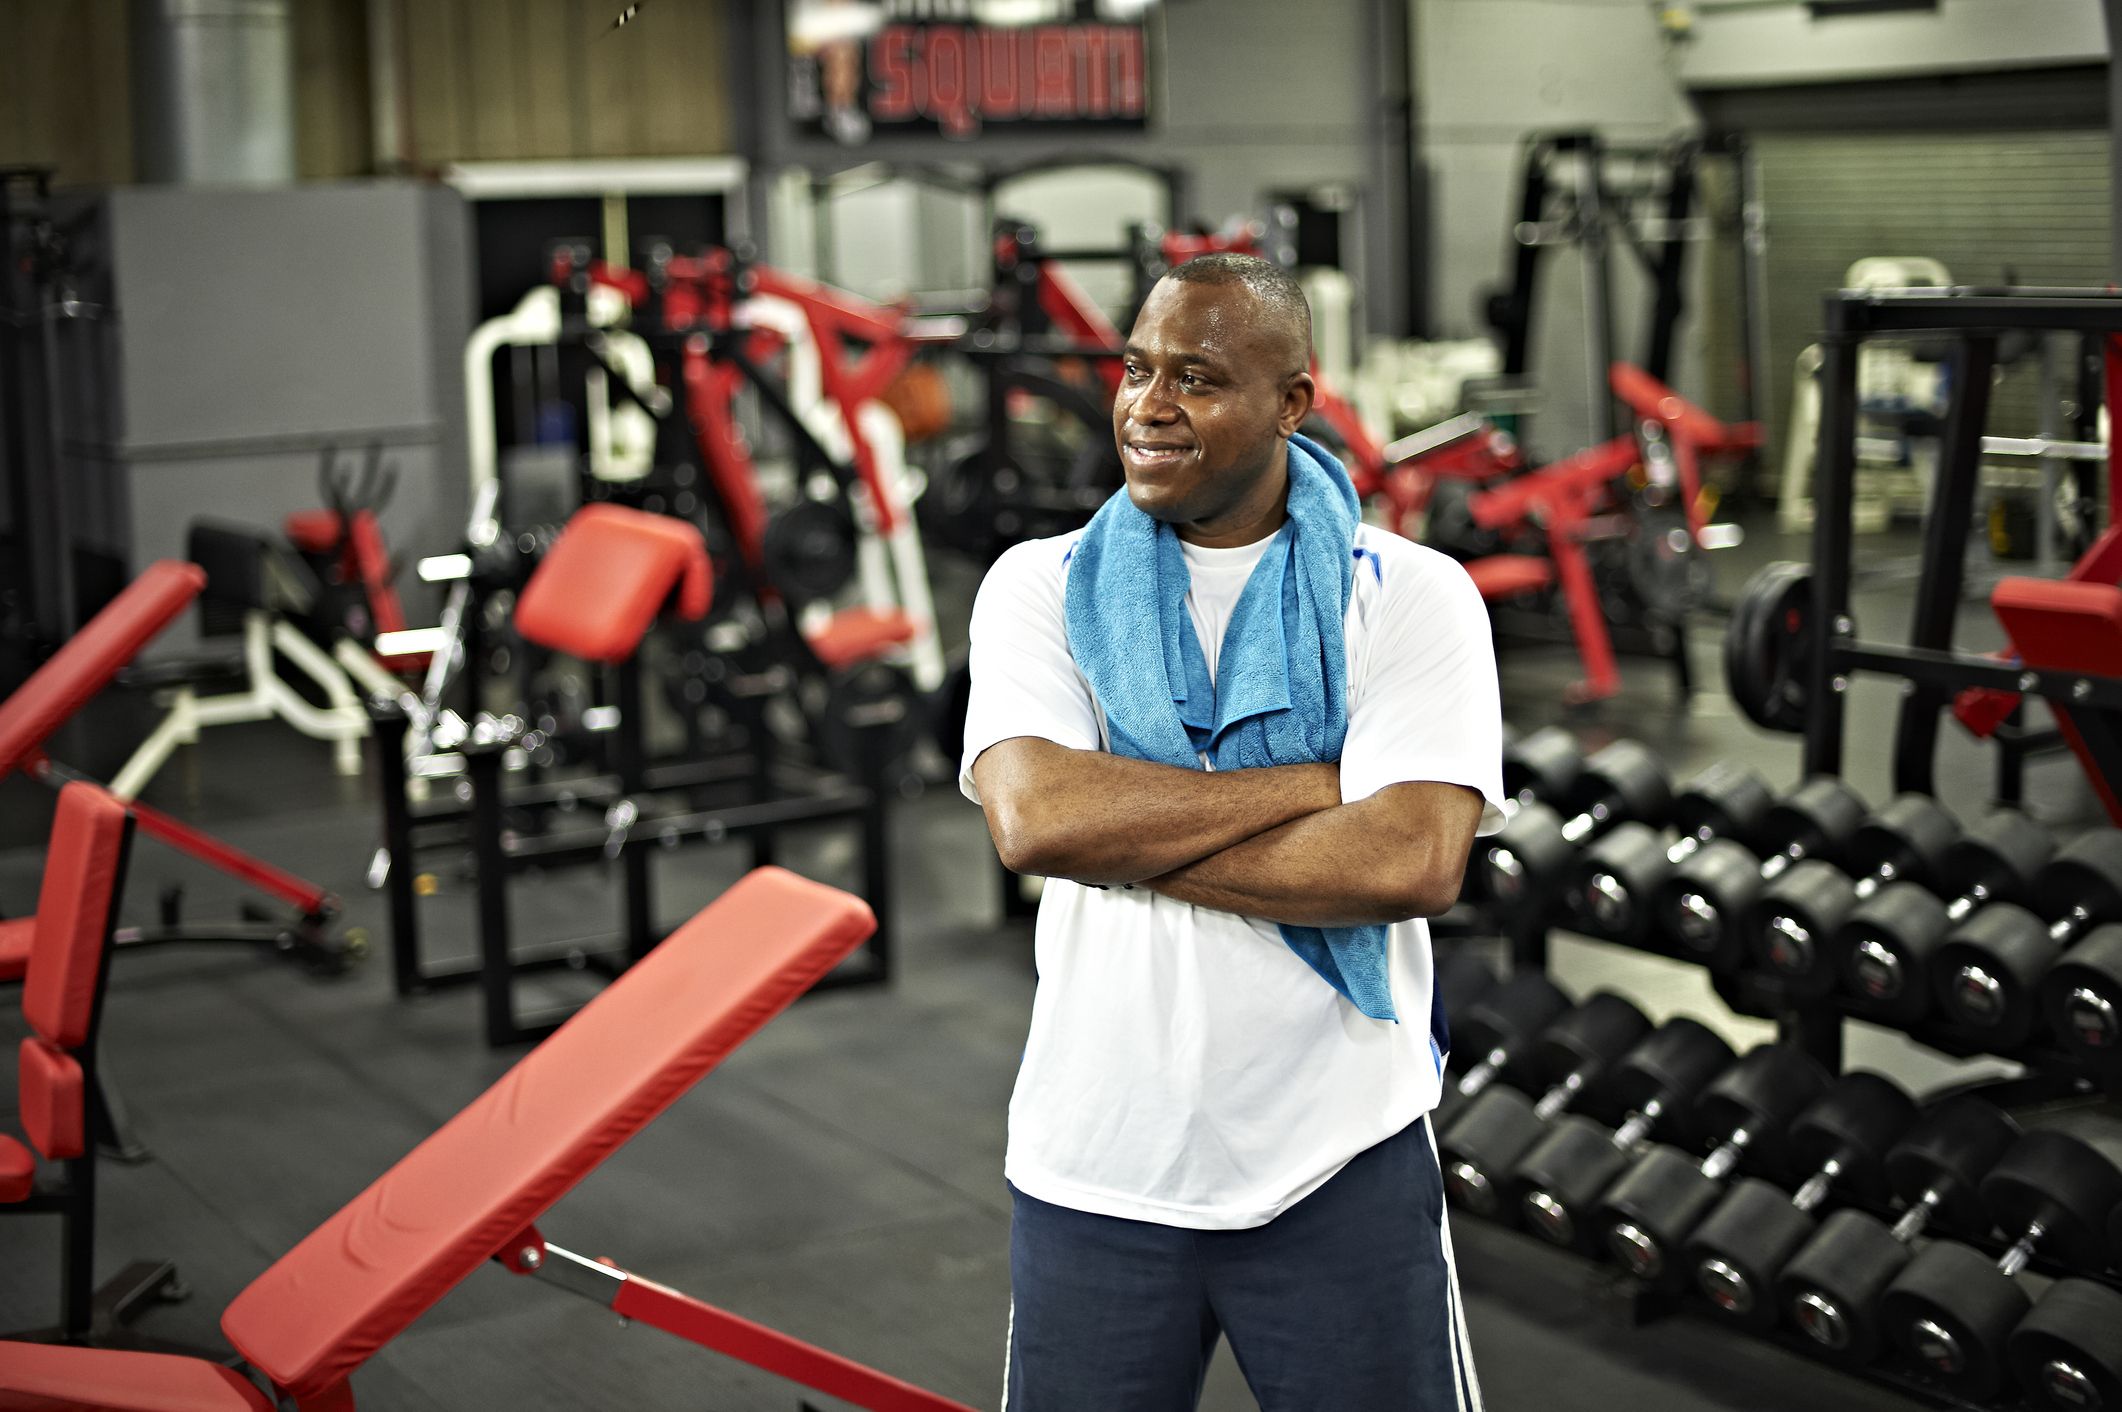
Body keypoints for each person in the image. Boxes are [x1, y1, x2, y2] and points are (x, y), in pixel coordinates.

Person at [959, 253, 1503, 1409]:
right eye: (1137, 368)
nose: (1148, 406)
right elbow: (1037, 819)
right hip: (1094, 1158)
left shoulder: (1406, 595)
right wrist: (1313, 785)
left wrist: (1130, 834)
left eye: (1197, 378)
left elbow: (1407, 857)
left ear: (1291, 403)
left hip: (1336, 1155)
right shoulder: (1037, 585)